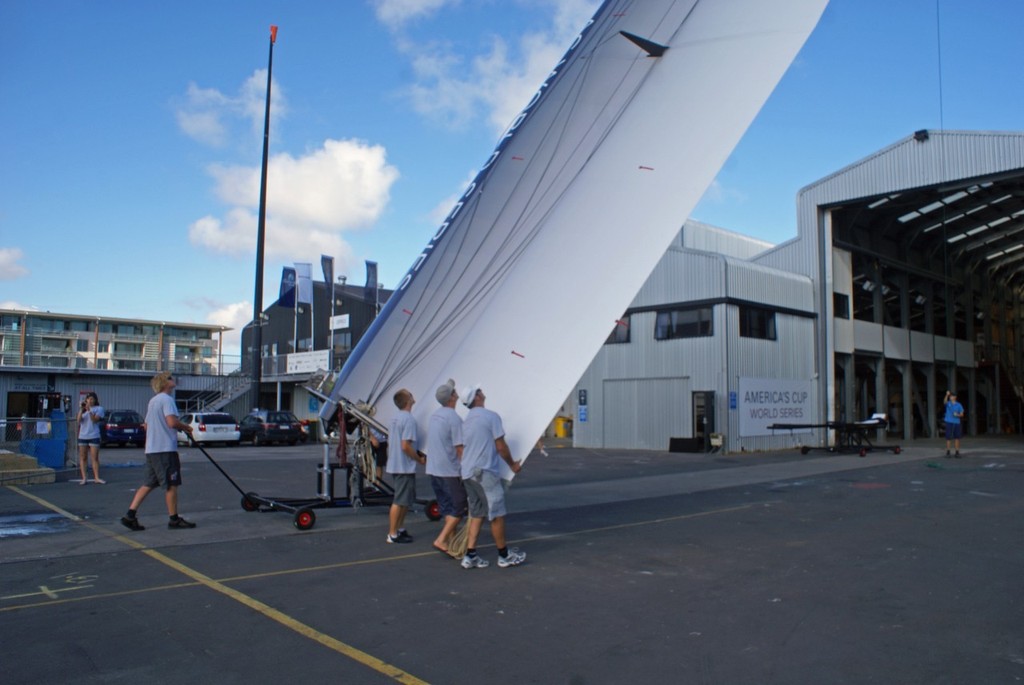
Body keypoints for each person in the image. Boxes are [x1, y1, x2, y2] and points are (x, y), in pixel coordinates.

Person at [459, 384, 525, 569]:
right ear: (477, 397)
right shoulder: (491, 417)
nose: (482, 392)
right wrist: (513, 465)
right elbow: (501, 446)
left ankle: (470, 555)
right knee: (496, 513)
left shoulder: (466, 421)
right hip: (484, 473)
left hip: (467, 473)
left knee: (477, 513)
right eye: (479, 391)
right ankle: (504, 555)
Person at [120, 372, 196, 531]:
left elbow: (146, 425)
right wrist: (185, 427)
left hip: (152, 449)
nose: (173, 379)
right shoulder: (167, 400)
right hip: (165, 449)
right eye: (170, 378)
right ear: (164, 383)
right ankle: (174, 519)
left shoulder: (153, 401)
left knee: (149, 483)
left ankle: (130, 514)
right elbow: (171, 421)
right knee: (171, 484)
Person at [425, 379, 467, 555]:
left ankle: (451, 542)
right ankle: (441, 539)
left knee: (448, 507)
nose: (457, 393)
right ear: (452, 398)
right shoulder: (454, 419)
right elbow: (459, 448)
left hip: (433, 469)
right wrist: (467, 470)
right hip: (448, 470)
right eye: (454, 392)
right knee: (460, 506)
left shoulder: (435, 415)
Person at [386, 389, 426, 544]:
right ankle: (392, 533)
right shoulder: (409, 419)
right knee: (399, 500)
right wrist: (418, 459)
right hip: (403, 465)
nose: (413, 396)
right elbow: (405, 446)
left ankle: (399, 528)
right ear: (408, 400)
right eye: (411, 394)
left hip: (396, 463)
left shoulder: (394, 418)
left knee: (404, 500)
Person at [76, 392, 106, 484]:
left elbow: (94, 420)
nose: (90, 400)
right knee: (83, 457)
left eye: (92, 399)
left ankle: (96, 477)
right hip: (83, 435)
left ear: (95, 400)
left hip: (94, 435)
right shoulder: (83, 410)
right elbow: (78, 421)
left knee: (94, 457)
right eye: (88, 399)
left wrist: (89, 410)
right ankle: (84, 477)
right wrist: (82, 409)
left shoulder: (99, 409)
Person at [943, 390, 965, 458]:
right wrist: (946, 395)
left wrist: (957, 415)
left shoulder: (959, 405)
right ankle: (948, 452)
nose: (951, 397)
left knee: (957, 438)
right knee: (948, 437)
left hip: (956, 422)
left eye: (952, 396)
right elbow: (944, 402)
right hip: (949, 421)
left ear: (955, 397)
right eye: (950, 396)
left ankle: (957, 452)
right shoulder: (948, 403)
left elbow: (962, 414)